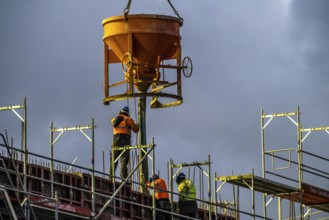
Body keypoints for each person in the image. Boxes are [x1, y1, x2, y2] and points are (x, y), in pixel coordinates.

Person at [110, 106, 139, 180]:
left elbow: (112, 122)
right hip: (125, 141)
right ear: (127, 113)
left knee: (113, 159)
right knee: (124, 161)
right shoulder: (128, 119)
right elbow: (135, 130)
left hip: (115, 141)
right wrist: (138, 126)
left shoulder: (115, 119)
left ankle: (111, 177)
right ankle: (124, 179)